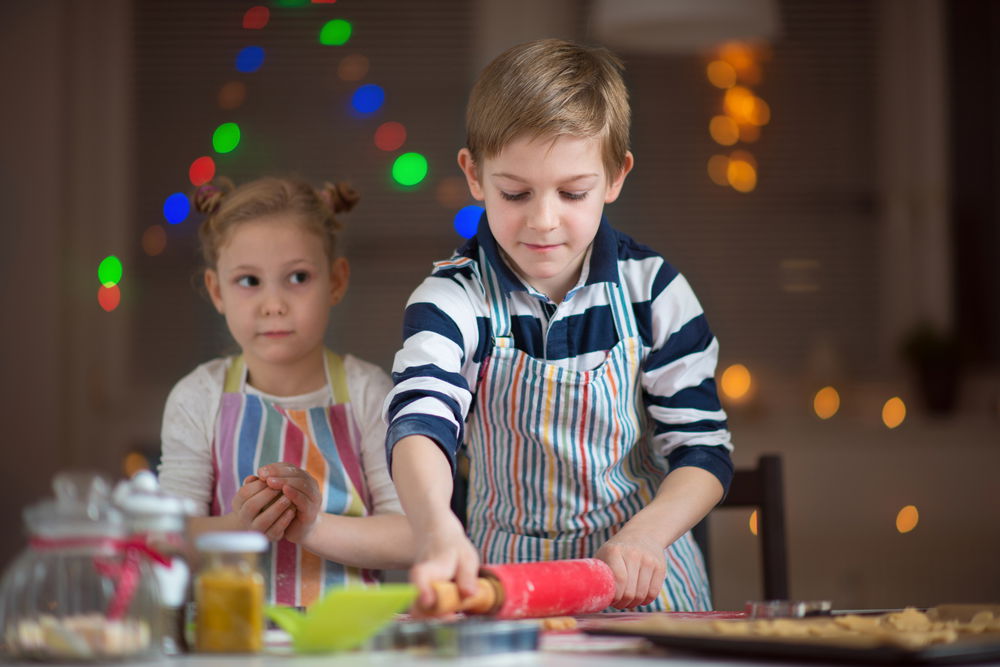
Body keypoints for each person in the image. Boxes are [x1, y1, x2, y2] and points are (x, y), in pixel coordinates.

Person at [385, 39, 734, 612]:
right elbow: (422, 421)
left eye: (573, 193)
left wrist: (648, 534)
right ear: (473, 175)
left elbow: (702, 450)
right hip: (505, 581)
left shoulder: (654, 290)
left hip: (638, 573)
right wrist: (435, 527)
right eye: (515, 193)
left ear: (616, 177)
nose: (543, 221)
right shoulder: (453, 298)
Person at [159, 176, 413, 607]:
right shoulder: (197, 397)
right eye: (249, 281)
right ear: (217, 290)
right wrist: (239, 525)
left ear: (335, 281)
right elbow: (167, 540)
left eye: (297, 277)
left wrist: (313, 527)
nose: (273, 303)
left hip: (345, 647)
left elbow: (411, 536)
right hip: (229, 642)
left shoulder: (369, 393)